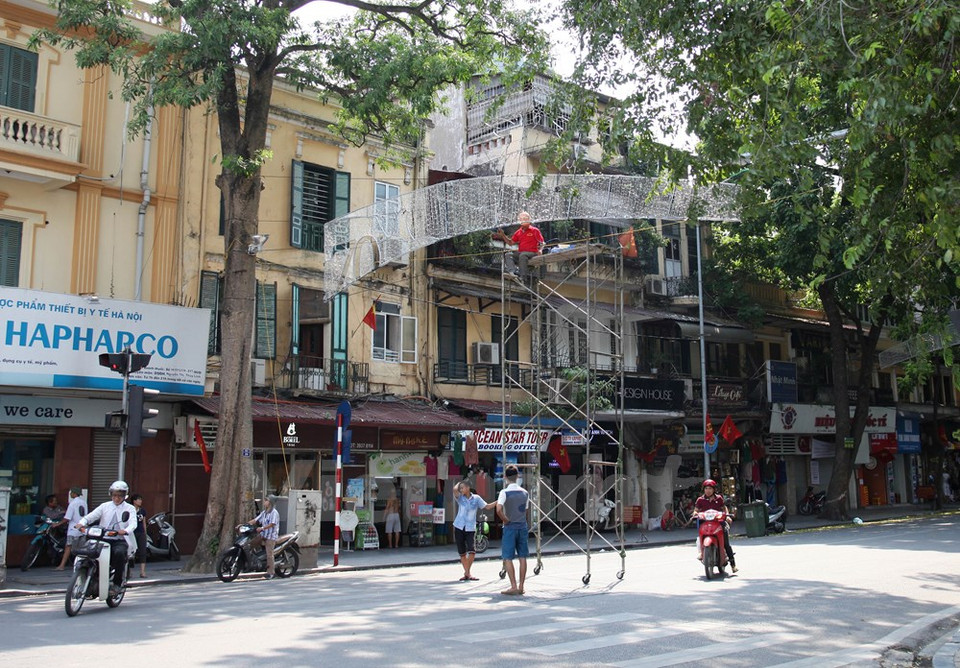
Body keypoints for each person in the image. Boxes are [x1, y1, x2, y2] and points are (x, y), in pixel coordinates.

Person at [76, 481, 137, 593]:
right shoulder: (104, 506)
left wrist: (125, 531)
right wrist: (81, 523)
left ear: (124, 496)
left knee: (119, 553)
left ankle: (117, 584)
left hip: (119, 540)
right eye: (114, 495)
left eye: (120, 495)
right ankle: (88, 576)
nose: (117, 498)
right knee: (87, 551)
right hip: (102, 538)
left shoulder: (129, 508)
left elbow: (133, 523)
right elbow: (91, 516)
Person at [496, 465, 529, 595]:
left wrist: (505, 520)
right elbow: (526, 510)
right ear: (517, 476)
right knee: (523, 557)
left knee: (508, 557)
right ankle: (521, 586)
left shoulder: (504, 492)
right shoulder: (525, 493)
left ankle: (513, 586)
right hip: (522, 525)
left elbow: (498, 509)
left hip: (510, 527)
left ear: (505, 477)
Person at [452, 481, 495, 581]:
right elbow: (454, 489)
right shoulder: (460, 498)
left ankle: (467, 573)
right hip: (459, 526)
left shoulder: (476, 498)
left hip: (470, 528)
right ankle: (467, 573)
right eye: (461, 488)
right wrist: (460, 482)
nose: (461, 490)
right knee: (462, 552)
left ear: (468, 488)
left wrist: (498, 502)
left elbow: (487, 506)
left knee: (472, 550)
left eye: (463, 488)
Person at [693, 478, 737, 573]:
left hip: (718, 522)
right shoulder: (700, 500)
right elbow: (696, 510)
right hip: (705, 523)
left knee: (726, 542)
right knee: (699, 536)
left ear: (714, 490)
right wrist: (695, 514)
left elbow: (724, 508)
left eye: (710, 488)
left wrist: (727, 516)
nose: (708, 490)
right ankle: (701, 552)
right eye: (706, 488)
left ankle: (733, 564)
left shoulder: (719, 498)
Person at [496, 211, 545, 278]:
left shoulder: (534, 230)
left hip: (533, 252)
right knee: (508, 255)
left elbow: (542, 242)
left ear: (529, 220)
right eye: (521, 219)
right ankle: (511, 272)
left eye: (525, 218)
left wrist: (540, 250)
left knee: (523, 255)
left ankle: (523, 276)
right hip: (521, 252)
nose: (523, 220)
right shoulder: (518, 232)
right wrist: (503, 235)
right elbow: (510, 243)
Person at [247, 496, 280, 579]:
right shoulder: (264, 512)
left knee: (270, 554)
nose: (264, 502)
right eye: (265, 500)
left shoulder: (274, 513)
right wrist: (246, 524)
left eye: (266, 500)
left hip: (271, 536)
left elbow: (272, 524)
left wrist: (262, 528)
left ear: (270, 503)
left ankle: (271, 573)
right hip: (263, 535)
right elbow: (256, 519)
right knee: (250, 544)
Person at [57, 486, 87, 570]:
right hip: (82, 529)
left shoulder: (73, 503)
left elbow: (67, 518)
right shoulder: (84, 502)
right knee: (81, 549)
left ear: (74, 493)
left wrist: (58, 524)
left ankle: (62, 565)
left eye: (71, 492)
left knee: (68, 546)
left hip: (73, 529)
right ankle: (81, 565)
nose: (70, 494)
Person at [130, 493, 148, 577]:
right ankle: (129, 571)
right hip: (132, 532)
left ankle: (142, 571)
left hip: (140, 532)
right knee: (131, 552)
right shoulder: (130, 510)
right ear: (134, 501)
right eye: (138, 499)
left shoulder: (142, 511)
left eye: (141, 499)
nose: (140, 501)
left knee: (143, 551)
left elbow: (144, 522)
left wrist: (145, 533)